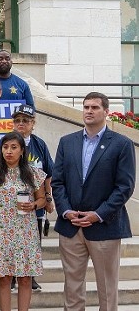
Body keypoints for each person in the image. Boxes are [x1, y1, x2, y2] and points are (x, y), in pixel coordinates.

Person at [52, 92, 136, 311]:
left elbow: (124, 187)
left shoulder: (121, 144)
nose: (88, 111)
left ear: (106, 112)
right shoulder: (66, 142)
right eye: (86, 107)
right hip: (71, 227)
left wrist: (98, 214)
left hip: (104, 227)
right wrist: (66, 211)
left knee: (107, 290)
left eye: (94, 108)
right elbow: (57, 182)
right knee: (72, 289)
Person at [0, 104, 55, 291]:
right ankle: (9, 277)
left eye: (25, 120)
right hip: (6, 211)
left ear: (32, 123)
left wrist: (48, 198)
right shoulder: (4, 143)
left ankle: (30, 276)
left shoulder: (39, 144)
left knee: (32, 243)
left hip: (32, 206)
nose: (21, 124)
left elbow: (48, 173)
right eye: (17, 120)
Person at [0, 131, 47, 311]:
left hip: (26, 232)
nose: (9, 151)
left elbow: (42, 199)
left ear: (22, 151)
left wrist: (34, 205)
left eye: (14, 147)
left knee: (25, 277)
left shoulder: (33, 173)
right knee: (4, 277)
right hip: (2, 232)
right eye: (5, 147)